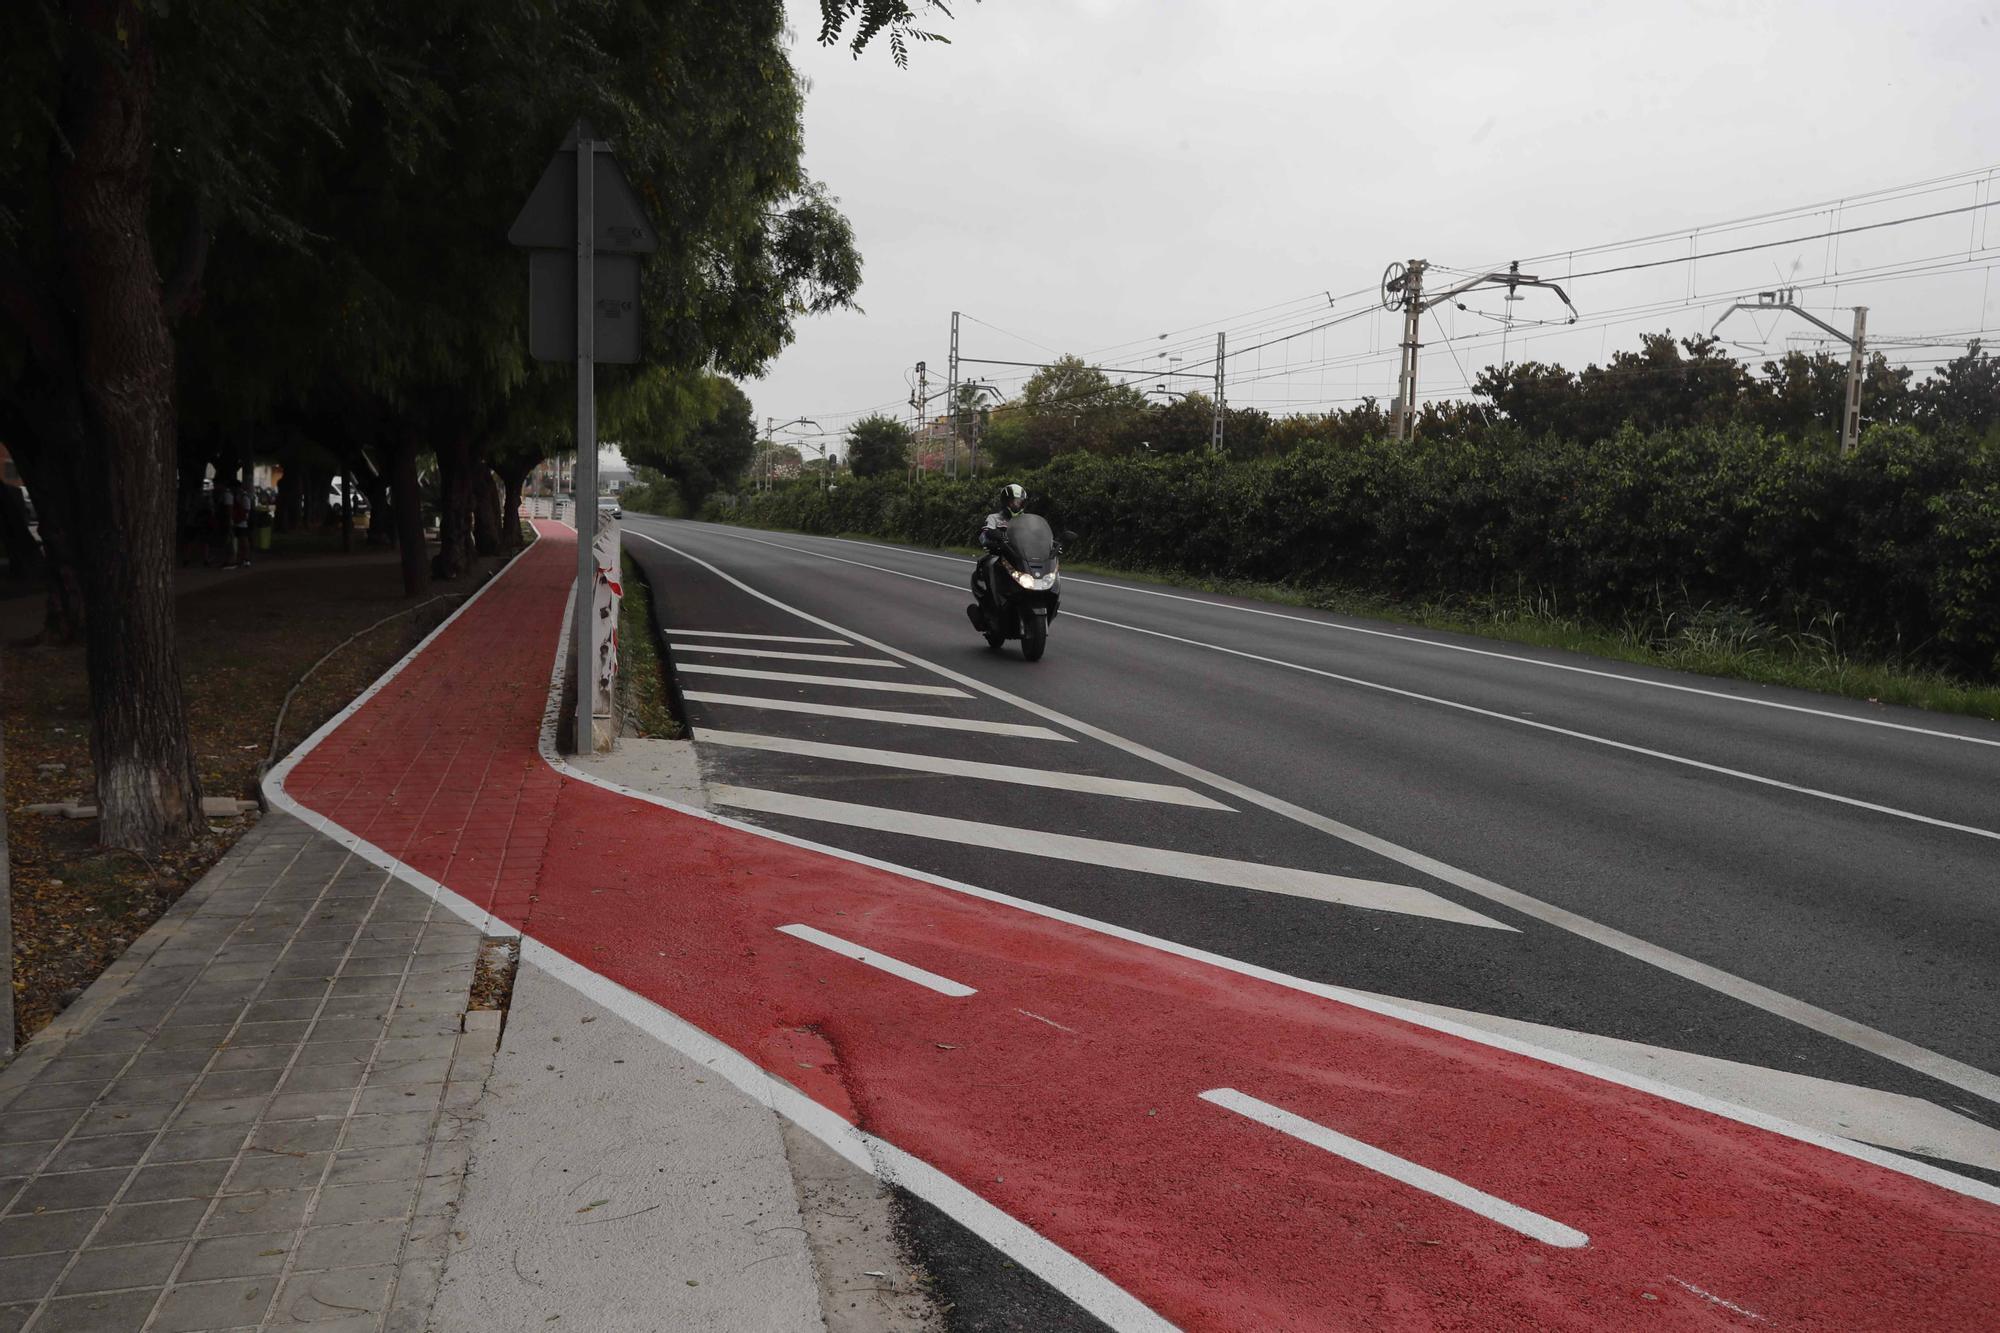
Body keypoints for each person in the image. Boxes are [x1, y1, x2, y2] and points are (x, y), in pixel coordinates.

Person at [971, 483, 1028, 616]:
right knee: (987, 563)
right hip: (998, 554)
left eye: (1020, 502)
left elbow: (1036, 535)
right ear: (1006, 502)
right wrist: (993, 538)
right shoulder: (994, 518)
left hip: (1019, 556)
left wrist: (1050, 545)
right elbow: (983, 535)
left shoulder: (1025, 520)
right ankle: (988, 601)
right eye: (1014, 501)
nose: (1017, 505)